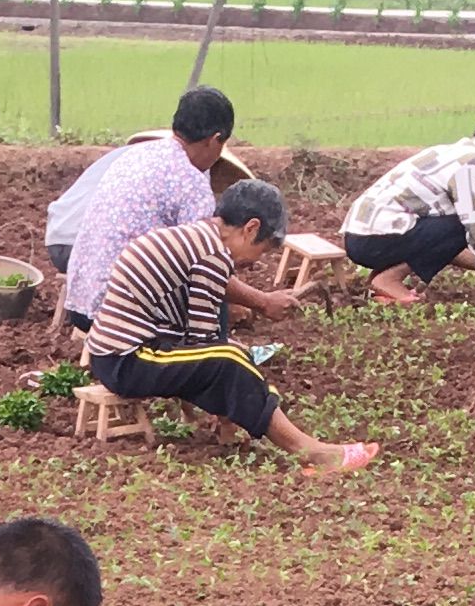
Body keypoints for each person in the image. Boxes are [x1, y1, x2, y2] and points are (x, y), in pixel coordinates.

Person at [82, 176, 377, 474]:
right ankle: (312, 452)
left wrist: (249, 319)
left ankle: (266, 433)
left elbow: (205, 322)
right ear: (251, 229)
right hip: (129, 359)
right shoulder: (213, 255)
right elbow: (204, 343)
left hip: (117, 354)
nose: (254, 261)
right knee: (230, 361)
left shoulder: (198, 238)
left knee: (229, 356)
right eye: (261, 251)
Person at [50, 85, 241, 338]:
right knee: (212, 297)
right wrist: (261, 300)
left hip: (79, 305)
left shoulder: (135, 155)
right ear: (215, 140)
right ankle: (209, 364)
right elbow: (206, 270)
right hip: (117, 313)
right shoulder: (193, 185)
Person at [340, 115, 475, 308]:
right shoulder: (473, 165)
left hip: (361, 237)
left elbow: (443, 244)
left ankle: (380, 281)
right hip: (372, 240)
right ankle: (387, 280)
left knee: (456, 227)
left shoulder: (454, 153)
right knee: (460, 225)